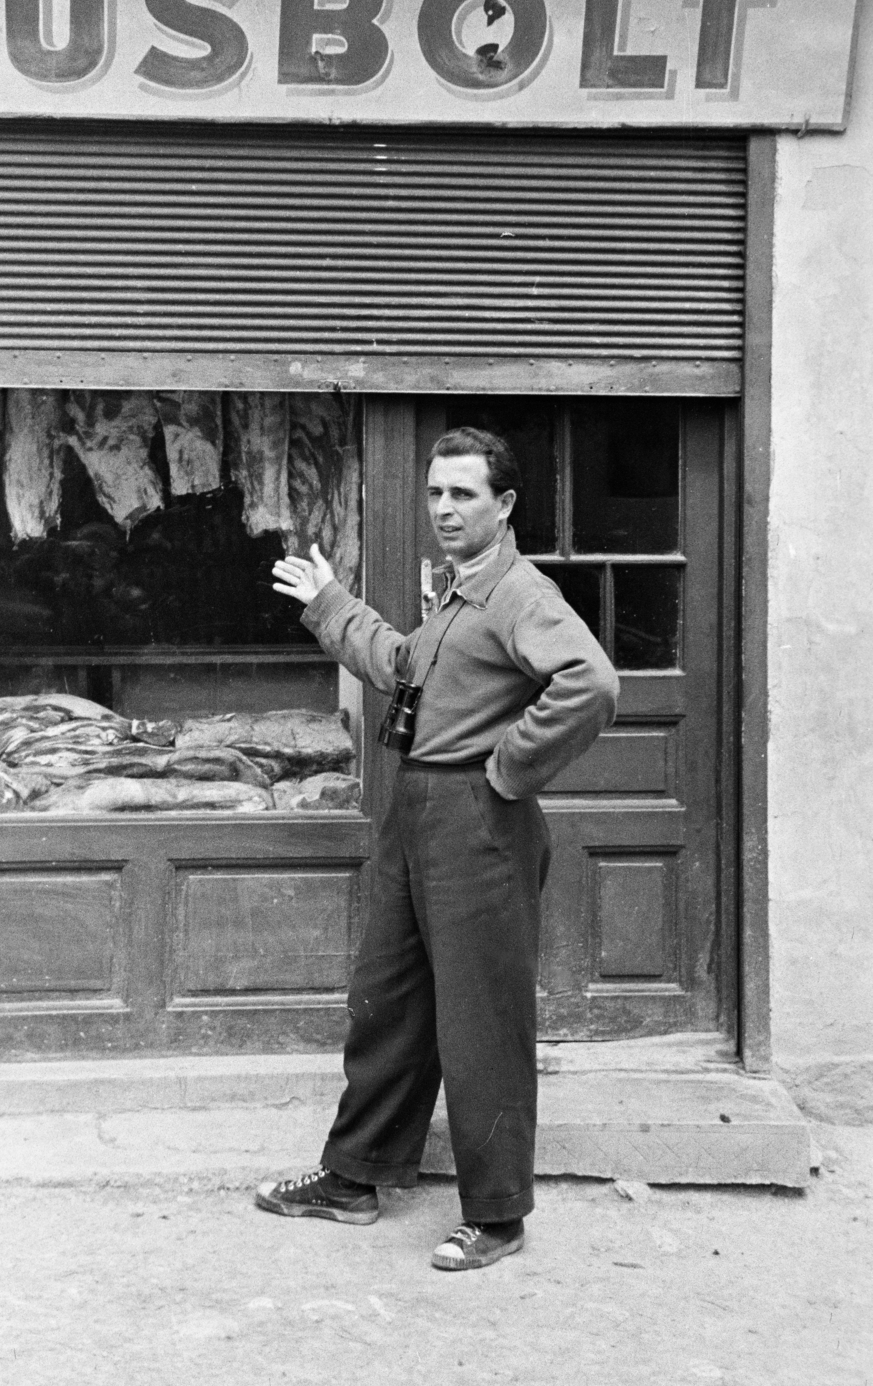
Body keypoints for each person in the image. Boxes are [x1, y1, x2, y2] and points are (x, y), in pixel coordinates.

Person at [255, 426, 619, 1271]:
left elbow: (592, 682)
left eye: (462, 494)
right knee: (389, 998)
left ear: (504, 505)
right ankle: (354, 1177)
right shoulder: (459, 596)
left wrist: (507, 769)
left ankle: (497, 1215)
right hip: (417, 811)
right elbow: (398, 665)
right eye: (435, 493)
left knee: (481, 1020)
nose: (444, 509)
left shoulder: (520, 593)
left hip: (478, 818)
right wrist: (329, 601)